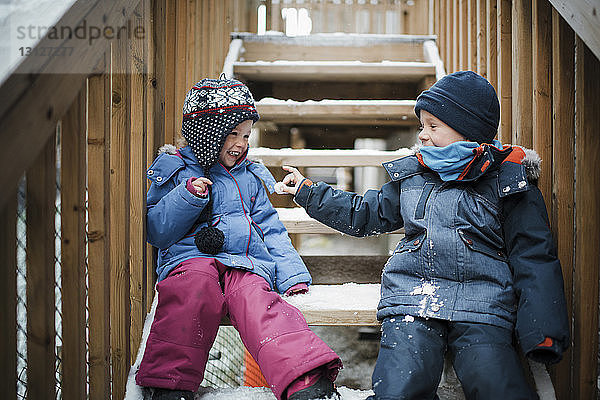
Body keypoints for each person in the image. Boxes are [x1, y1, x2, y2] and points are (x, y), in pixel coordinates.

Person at [278, 71, 569, 400]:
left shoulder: (508, 182)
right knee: (400, 385)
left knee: (495, 384)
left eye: (433, 126)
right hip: (413, 298)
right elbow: (364, 213)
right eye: (422, 126)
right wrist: (308, 192)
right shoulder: (413, 174)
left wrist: (542, 331)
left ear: (467, 130)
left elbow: (533, 255)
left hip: (481, 303)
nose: (423, 136)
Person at [136, 77, 342, 400]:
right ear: (205, 133)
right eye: (232, 133)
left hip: (243, 264)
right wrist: (188, 197)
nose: (241, 143)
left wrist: (291, 273)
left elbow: (270, 228)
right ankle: (169, 385)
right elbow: (157, 229)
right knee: (191, 290)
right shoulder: (176, 171)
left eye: (246, 135)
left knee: (259, 301)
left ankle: (304, 376)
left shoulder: (250, 177)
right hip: (191, 262)